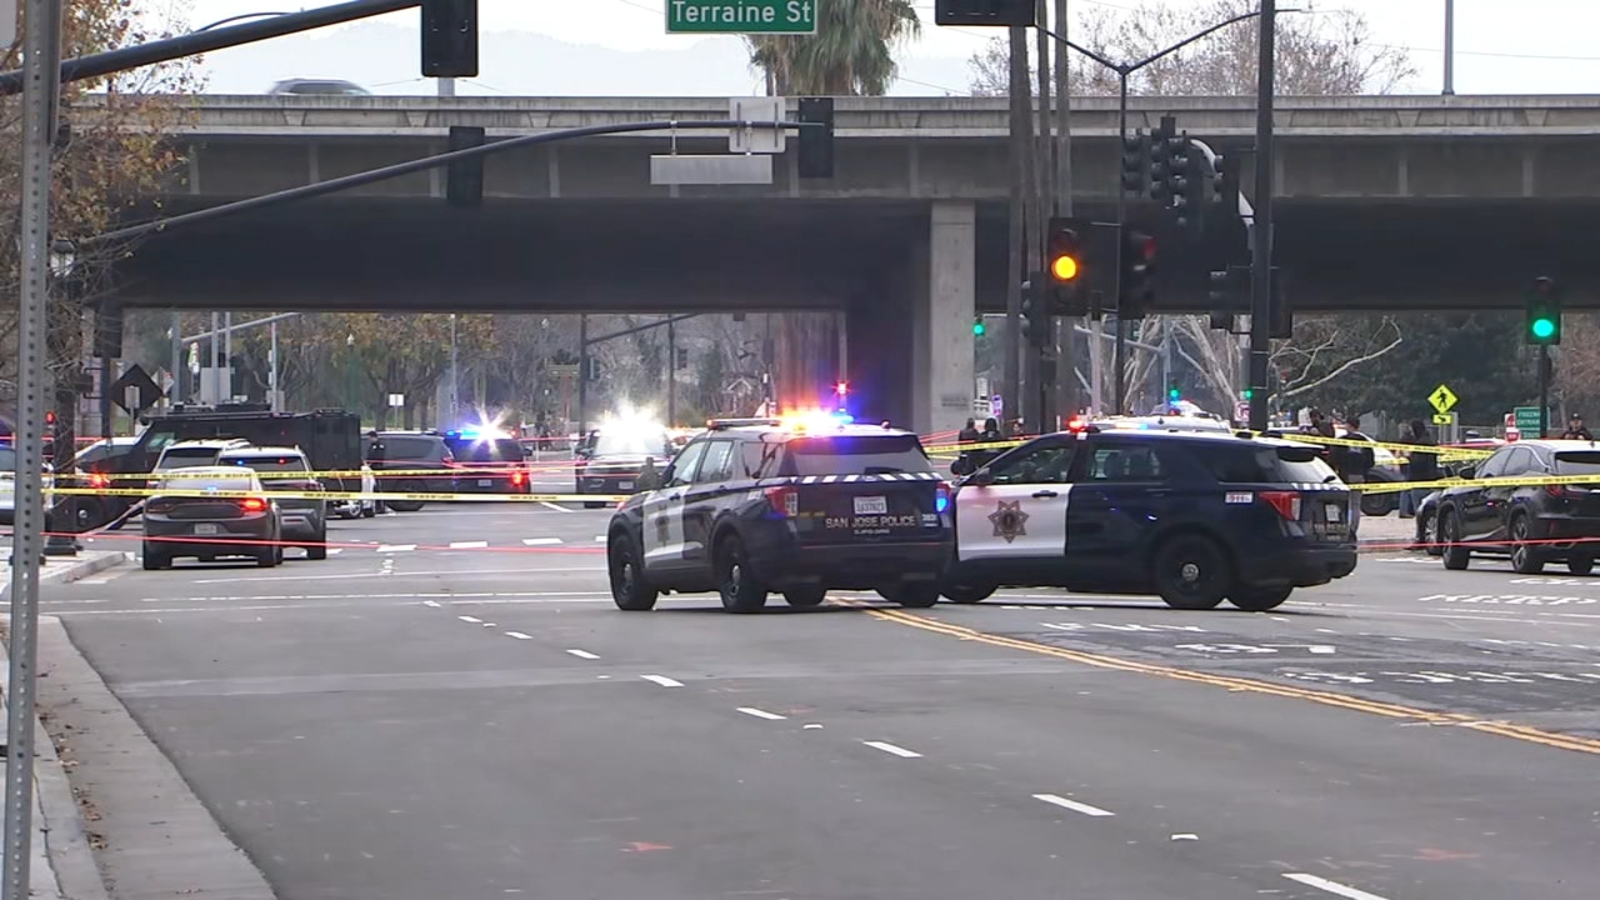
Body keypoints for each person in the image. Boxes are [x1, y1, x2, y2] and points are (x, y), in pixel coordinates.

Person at [1398, 419, 1437, 520]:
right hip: (1430, 479)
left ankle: (1421, 532)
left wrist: (1409, 456)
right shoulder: (1429, 441)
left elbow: (1418, 463)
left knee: (1419, 511)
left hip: (1418, 479)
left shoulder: (1420, 444)